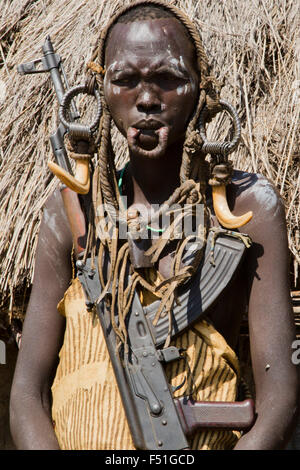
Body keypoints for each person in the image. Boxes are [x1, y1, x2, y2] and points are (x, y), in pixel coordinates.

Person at [9, 0, 298, 450]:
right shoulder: (69, 214)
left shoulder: (248, 209)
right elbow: (26, 395)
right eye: (125, 80)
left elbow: (278, 398)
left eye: (168, 79)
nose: (146, 99)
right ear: (101, 91)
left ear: (201, 91)